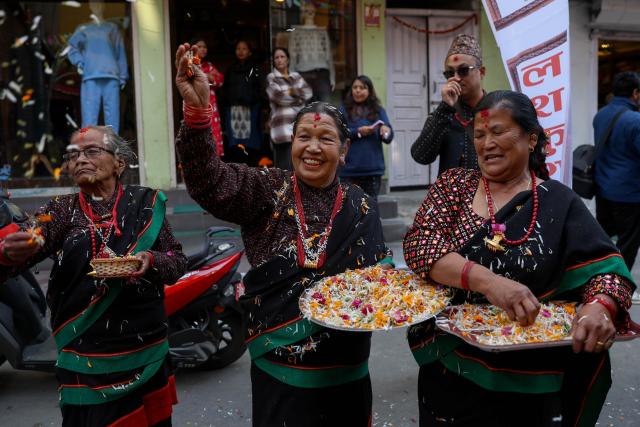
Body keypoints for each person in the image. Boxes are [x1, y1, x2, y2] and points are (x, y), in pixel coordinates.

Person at [174, 42, 392, 427]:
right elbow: (209, 182)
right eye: (303, 137)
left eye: (325, 140)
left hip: (347, 376)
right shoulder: (267, 188)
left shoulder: (360, 203)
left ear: (343, 152)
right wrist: (197, 114)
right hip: (279, 374)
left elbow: (379, 278)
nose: (312, 148)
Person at [403, 90, 636, 427]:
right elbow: (420, 246)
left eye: (498, 131)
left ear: (531, 138)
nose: (486, 144)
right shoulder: (454, 186)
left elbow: (608, 272)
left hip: (531, 380)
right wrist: (491, 283)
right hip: (450, 369)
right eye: (479, 135)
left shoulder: (557, 201)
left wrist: (600, 307)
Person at [0, 126, 187, 426]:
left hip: (145, 353)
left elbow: (177, 262)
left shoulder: (147, 204)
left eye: (92, 151)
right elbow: (27, 241)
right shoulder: (61, 210)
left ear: (119, 163)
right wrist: (9, 251)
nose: (80, 160)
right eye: (73, 155)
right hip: (83, 356)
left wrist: (150, 260)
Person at [411, 34, 485, 175]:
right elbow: (420, 156)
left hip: (491, 195)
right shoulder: (444, 114)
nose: (456, 78)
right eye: (450, 72)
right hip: (452, 196)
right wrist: (445, 108)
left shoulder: (498, 111)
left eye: (463, 70)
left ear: (481, 72)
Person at [594, 71, 640, 270]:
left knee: (603, 241)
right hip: (629, 193)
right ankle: (620, 286)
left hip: (602, 188)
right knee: (628, 243)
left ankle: (599, 280)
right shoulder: (635, 120)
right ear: (636, 93)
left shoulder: (600, 115)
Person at [67, 2, 128, 133]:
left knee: (112, 118)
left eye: (100, 3)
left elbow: (120, 52)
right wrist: (80, 63)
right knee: (89, 118)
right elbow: (72, 48)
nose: (97, 6)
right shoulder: (83, 29)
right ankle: (88, 148)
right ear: (90, 6)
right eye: (94, 3)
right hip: (90, 76)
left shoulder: (112, 28)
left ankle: (112, 149)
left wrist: (123, 75)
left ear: (104, 6)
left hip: (111, 76)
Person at [339, 75, 393, 198]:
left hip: (372, 170)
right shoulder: (343, 109)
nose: (358, 90)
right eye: (355, 87)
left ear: (369, 91)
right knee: (349, 209)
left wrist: (386, 131)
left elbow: (389, 137)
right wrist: (358, 132)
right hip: (349, 170)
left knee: (370, 210)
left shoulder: (378, 110)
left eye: (362, 87)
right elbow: (338, 133)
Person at [266, 47, 312, 170]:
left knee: (299, 167)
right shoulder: (271, 77)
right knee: (284, 169)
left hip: (298, 127)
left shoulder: (296, 76)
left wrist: (291, 91)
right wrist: (298, 97)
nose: (279, 60)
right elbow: (279, 98)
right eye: (277, 57)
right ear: (273, 61)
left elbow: (308, 93)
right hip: (281, 128)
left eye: (282, 57)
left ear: (288, 59)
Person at [223, 40, 262, 165]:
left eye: (244, 48)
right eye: (238, 48)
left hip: (251, 110)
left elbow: (259, 89)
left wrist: (249, 99)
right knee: (235, 144)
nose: (241, 51)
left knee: (251, 143)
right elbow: (226, 89)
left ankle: (251, 169)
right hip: (234, 111)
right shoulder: (230, 69)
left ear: (250, 52)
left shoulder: (255, 69)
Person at [192, 38, 224, 157]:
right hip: (196, 107)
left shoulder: (209, 65)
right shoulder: (189, 65)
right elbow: (191, 80)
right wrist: (207, 77)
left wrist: (208, 78)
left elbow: (220, 80)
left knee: (212, 137)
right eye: (199, 46)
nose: (203, 49)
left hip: (211, 108)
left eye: (204, 47)